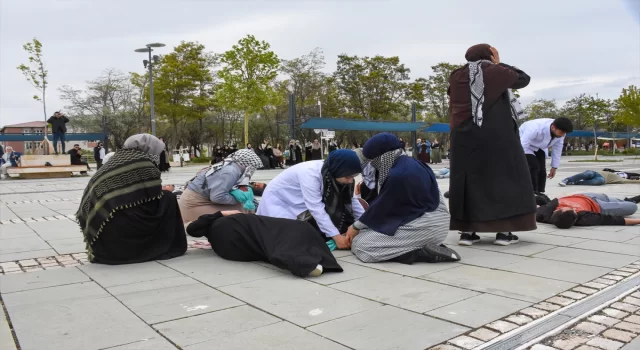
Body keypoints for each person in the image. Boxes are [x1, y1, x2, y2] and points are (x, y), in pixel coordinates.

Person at [448, 44, 537, 246]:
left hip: (464, 137)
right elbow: (523, 78)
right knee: (503, 179)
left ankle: (467, 233)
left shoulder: (457, 75)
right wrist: (498, 63)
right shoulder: (495, 71)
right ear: (490, 55)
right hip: (496, 136)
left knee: (468, 182)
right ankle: (504, 233)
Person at [346, 133, 460, 264]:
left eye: (373, 160)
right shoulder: (411, 164)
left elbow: (382, 208)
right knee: (365, 233)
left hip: (427, 225)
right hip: (424, 220)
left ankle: (420, 253)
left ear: (382, 157)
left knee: (361, 245)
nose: (372, 164)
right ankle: (423, 246)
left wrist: (355, 227)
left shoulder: (399, 175)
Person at [76, 134, 187, 264]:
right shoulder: (143, 163)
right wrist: (166, 191)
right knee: (168, 198)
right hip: (123, 237)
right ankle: (167, 244)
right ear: (150, 149)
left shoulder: (116, 160)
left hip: (104, 237)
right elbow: (153, 196)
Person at [257, 149, 365, 249]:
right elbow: (316, 208)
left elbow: (353, 201)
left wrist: (364, 223)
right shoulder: (310, 174)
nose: (351, 181)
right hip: (280, 201)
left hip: (301, 202)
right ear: (338, 171)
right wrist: (337, 237)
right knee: (288, 239)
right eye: (348, 177)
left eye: (354, 176)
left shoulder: (335, 171)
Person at [186, 210, 344, 277]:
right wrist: (222, 213)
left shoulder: (213, 232)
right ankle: (303, 261)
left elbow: (192, 229)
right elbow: (192, 228)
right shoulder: (220, 219)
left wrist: (219, 214)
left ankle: (303, 261)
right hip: (236, 227)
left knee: (265, 242)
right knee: (292, 229)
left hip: (229, 250)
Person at [178, 149, 263, 222]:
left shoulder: (232, 167)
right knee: (242, 210)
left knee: (245, 207)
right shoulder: (230, 172)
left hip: (198, 200)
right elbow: (217, 197)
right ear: (247, 164)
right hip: (193, 204)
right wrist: (239, 200)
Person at [519, 117, 574, 193]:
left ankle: (541, 193)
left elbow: (557, 148)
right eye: (562, 132)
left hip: (539, 147)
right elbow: (523, 144)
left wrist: (554, 167)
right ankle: (532, 193)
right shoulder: (535, 128)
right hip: (524, 145)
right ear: (553, 127)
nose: (563, 135)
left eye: (565, 133)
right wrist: (519, 161)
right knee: (534, 167)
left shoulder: (561, 133)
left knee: (542, 171)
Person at [536, 193, 640, 229]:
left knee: (609, 197)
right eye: (574, 210)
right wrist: (638, 221)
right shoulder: (584, 218)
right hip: (599, 205)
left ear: (556, 212)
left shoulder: (544, 214)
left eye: (569, 208)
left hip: (584, 195)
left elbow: (535, 209)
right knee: (632, 207)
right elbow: (613, 220)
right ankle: (628, 201)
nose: (573, 208)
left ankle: (623, 200)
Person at [560, 170, 640, 187]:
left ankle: (575, 183)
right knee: (589, 174)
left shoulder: (621, 179)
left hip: (602, 178)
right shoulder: (616, 171)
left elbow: (630, 180)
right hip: (596, 172)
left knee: (600, 181)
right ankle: (567, 180)